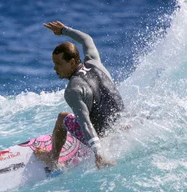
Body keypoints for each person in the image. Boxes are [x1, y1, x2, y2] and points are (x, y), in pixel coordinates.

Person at [34, 21, 124, 170]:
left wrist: (98, 152)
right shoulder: (94, 63)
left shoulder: (73, 90)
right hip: (121, 124)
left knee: (62, 117)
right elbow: (87, 39)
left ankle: (52, 159)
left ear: (72, 62)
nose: (54, 68)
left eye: (58, 64)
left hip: (103, 135)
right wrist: (64, 30)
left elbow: (85, 123)